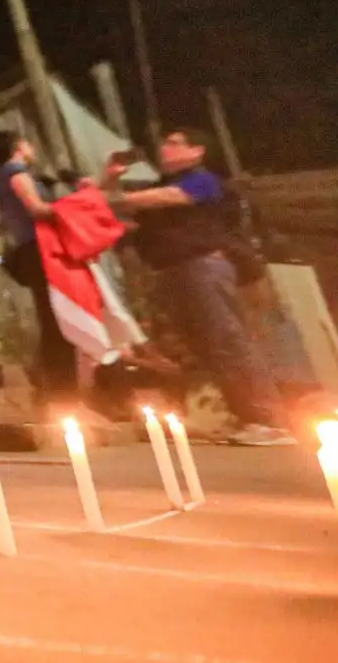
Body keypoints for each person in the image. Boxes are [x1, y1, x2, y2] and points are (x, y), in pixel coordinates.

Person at [103, 127, 294, 446]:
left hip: (201, 266)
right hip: (174, 271)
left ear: (197, 152)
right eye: (164, 143)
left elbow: (157, 199)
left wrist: (107, 198)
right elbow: (126, 208)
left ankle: (268, 420)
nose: (165, 147)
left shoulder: (202, 180)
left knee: (226, 339)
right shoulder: (162, 184)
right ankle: (246, 417)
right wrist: (111, 177)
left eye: (175, 143)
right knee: (205, 345)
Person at [0, 131, 79, 411]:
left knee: (53, 320)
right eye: (28, 142)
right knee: (57, 322)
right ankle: (63, 396)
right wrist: (74, 209)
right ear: (18, 147)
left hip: (31, 252)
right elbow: (37, 209)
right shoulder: (17, 173)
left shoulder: (6, 176)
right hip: (40, 250)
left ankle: (57, 395)